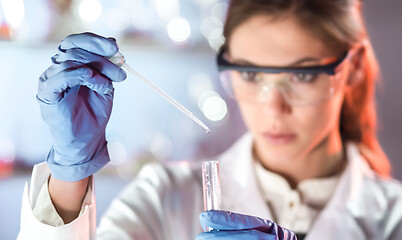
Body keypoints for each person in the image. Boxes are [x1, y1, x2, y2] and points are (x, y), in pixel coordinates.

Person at [18, 0, 402, 239]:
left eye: (301, 75)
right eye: (251, 74)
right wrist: (69, 175)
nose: (273, 108)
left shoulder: (392, 220)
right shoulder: (164, 197)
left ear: (350, 69)